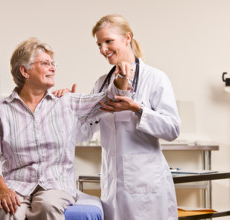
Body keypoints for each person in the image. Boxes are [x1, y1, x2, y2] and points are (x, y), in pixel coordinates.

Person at [0, 37, 131, 220]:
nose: (53, 68)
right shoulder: (1, 110)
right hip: (14, 184)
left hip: (55, 184)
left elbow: (109, 99)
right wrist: (2, 189)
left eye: (53, 63)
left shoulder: (66, 102)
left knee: (47, 206)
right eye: (45, 63)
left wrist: (122, 77)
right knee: (7, 212)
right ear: (24, 71)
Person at [56, 14, 181, 220]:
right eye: (99, 45)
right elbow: (83, 134)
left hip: (146, 184)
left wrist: (137, 108)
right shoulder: (102, 83)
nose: (103, 50)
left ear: (127, 38)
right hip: (112, 185)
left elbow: (172, 129)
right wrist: (69, 109)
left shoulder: (155, 78)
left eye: (108, 41)